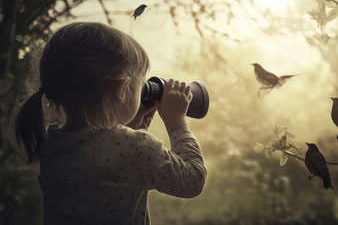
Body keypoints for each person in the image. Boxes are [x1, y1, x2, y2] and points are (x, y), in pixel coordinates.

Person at [14, 22, 207, 225]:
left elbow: (105, 166)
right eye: (141, 86)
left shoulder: (52, 143)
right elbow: (192, 180)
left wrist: (134, 128)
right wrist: (176, 121)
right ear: (122, 89)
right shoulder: (133, 146)